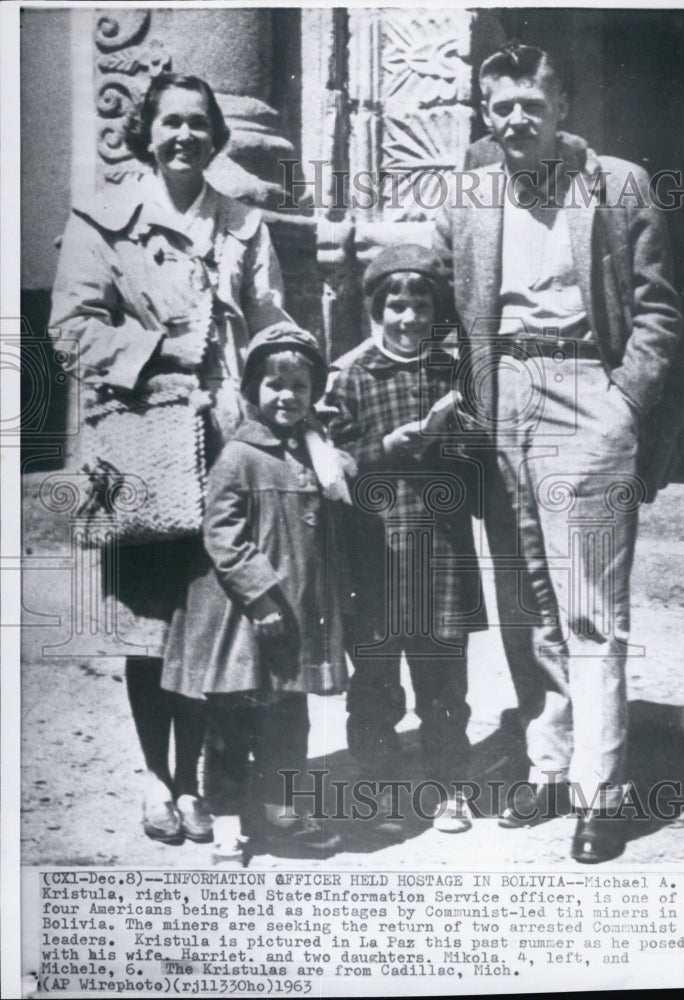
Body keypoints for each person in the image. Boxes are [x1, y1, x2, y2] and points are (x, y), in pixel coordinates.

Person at [433, 43, 683, 862]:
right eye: (499, 107)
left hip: (588, 390)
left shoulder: (616, 183)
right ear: (483, 111)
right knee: (524, 592)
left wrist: (622, 410)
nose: (513, 121)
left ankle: (599, 790)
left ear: (560, 107)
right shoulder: (469, 192)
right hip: (502, 390)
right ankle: (547, 765)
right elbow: (440, 293)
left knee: (588, 603)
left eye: (529, 107)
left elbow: (658, 314)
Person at [49, 74, 295, 844]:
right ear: (145, 134)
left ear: (215, 136)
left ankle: (197, 783)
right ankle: (157, 780)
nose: (184, 135)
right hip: (137, 447)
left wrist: (283, 390)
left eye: (198, 124)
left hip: (222, 446)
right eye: (170, 123)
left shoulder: (244, 225)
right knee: (146, 630)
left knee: (207, 628)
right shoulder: (102, 219)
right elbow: (71, 331)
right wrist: (163, 348)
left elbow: (270, 325)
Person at [162, 326, 348, 859]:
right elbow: (222, 534)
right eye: (274, 383)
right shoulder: (240, 455)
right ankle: (226, 827)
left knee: (290, 724)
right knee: (230, 730)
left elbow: (338, 492)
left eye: (300, 386)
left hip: (294, 620)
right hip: (247, 622)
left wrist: (334, 456)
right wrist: (260, 598)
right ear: (251, 389)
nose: (287, 395)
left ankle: (282, 816)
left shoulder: (313, 454)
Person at [326, 245, 487, 836]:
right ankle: (380, 784)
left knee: (443, 678)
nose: (410, 317)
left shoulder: (451, 372)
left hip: (439, 548)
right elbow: (333, 465)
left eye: (422, 303)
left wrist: (453, 445)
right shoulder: (351, 376)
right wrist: (382, 451)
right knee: (373, 679)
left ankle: (448, 785)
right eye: (397, 304)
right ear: (377, 307)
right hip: (374, 551)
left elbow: (477, 463)